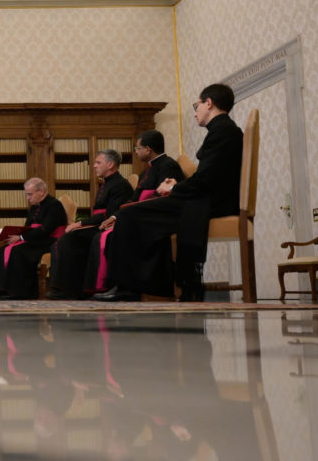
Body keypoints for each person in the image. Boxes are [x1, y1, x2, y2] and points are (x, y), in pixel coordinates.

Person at [96, 84, 243, 301]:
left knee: (129, 215)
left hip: (211, 203)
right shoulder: (223, 130)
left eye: (197, 105)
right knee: (134, 214)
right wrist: (177, 185)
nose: (195, 112)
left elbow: (206, 180)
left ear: (209, 103)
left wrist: (174, 187)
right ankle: (146, 285)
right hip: (209, 199)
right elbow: (209, 176)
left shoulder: (222, 131)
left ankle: (131, 287)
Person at [83, 130, 186, 295]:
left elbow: (166, 198)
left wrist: (127, 213)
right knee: (115, 228)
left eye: (137, 148)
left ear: (148, 149)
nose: (136, 152)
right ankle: (118, 285)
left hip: (158, 218)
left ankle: (126, 287)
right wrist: (115, 216)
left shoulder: (168, 165)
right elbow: (133, 199)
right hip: (141, 216)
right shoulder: (146, 172)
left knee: (121, 228)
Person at [46, 150, 134, 299]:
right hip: (98, 224)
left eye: (98, 162)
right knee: (66, 240)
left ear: (110, 164)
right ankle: (65, 288)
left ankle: (69, 290)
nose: (94, 166)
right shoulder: (106, 183)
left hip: (108, 227)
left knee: (69, 240)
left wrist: (79, 223)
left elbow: (109, 214)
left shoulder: (121, 185)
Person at [0, 178, 67, 299]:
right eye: (26, 194)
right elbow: (27, 227)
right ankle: (1, 291)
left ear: (41, 191)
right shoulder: (33, 207)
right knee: (3, 251)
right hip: (34, 239)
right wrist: (11, 234)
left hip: (48, 241)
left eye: (30, 194)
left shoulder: (54, 205)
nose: (28, 198)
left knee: (17, 252)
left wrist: (21, 237)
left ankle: (19, 293)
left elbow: (45, 229)